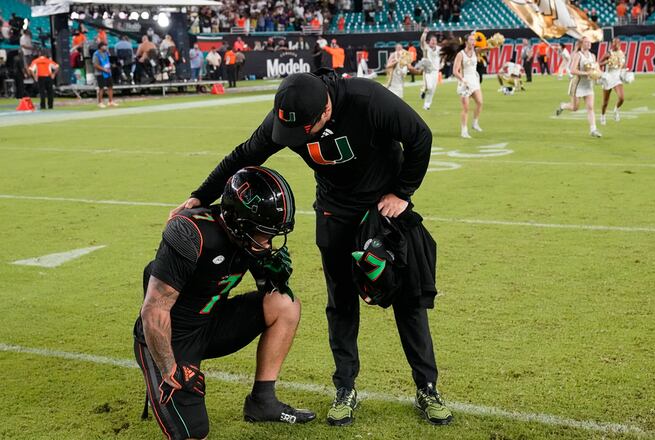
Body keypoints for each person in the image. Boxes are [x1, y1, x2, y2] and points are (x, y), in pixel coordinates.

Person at [169, 71, 453, 427]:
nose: (294, 139)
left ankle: (427, 387)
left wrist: (402, 192)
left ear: (325, 110)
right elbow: (246, 154)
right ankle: (345, 388)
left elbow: (419, 136)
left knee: (408, 297)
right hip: (335, 211)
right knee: (341, 301)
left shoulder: (368, 99)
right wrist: (199, 195)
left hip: (383, 209)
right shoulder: (289, 114)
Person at [135, 167, 316, 440]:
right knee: (195, 433)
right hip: (171, 338)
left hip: (212, 322)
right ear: (238, 223)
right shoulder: (191, 232)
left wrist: (270, 277)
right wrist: (170, 370)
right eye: (263, 233)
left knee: (284, 304)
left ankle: (262, 401)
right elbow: (154, 310)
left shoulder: (247, 236)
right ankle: (167, 374)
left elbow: (267, 284)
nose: (269, 244)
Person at [556, 37, 602, 138]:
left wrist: (599, 75)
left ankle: (593, 130)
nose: (589, 43)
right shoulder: (578, 55)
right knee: (574, 108)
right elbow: (572, 70)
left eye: (589, 42)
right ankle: (563, 106)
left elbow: (596, 69)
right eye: (586, 42)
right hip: (577, 84)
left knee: (590, 107)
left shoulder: (593, 56)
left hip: (588, 85)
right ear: (581, 44)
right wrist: (586, 73)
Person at [453, 33, 484, 138]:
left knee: (480, 102)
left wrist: (495, 44)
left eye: (474, 40)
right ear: (466, 42)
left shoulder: (476, 51)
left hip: (474, 80)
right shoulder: (460, 54)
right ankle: (464, 131)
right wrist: (462, 79)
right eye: (471, 40)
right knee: (466, 108)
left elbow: (487, 49)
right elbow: (455, 71)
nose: (473, 42)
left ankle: (475, 123)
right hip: (464, 82)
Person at [599, 37, 627, 125]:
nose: (615, 44)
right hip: (608, 78)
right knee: (605, 102)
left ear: (620, 43)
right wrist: (607, 62)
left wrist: (625, 74)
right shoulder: (608, 53)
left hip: (617, 78)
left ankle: (616, 110)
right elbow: (598, 63)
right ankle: (603, 116)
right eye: (614, 43)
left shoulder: (622, 53)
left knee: (622, 98)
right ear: (612, 44)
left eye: (617, 43)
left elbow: (623, 65)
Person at [418, 28, 442, 110]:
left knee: (432, 90)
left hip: (436, 72)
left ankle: (427, 105)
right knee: (429, 86)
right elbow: (422, 42)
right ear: (429, 41)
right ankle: (423, 91)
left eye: (435, 40)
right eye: (432, 40)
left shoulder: (439, 49)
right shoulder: (426, 47)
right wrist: (424, 33)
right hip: (428, 71)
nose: (434, 41)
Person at [93, 42, 117, 108]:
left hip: (108, 72)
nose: (106, 47)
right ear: (101, 47)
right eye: (104, 46)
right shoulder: (96, 54)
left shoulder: (106, 53)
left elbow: (107, 62)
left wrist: (111, 66)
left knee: (110, 86)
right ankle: (100, 102)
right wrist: (104, 69)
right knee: (101, 88)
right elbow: (95, 65)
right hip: (100, 73)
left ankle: (110, 101)